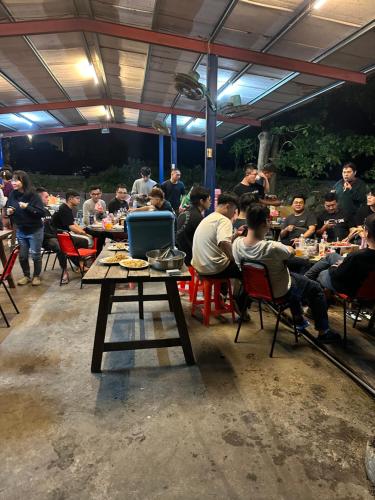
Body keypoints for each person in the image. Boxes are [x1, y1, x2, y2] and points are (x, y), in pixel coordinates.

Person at [233, 205, 340, 343]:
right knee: (315, 288)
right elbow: (291, 252)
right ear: (266, 222)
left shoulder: (236, 244)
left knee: (296, 278)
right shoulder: (271, 247)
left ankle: (298, 318)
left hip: (254, 290)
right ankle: (323, 331)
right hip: (279, 291)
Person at [305, 213, 375, 299]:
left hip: (351, 287)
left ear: (366, 233)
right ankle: (306, 279)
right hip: (367, 284)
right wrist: (344, 263)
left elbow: (337, 275)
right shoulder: (356, 256)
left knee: (321, 273)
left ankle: (307, 287)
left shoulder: (356, 256)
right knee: (332, 255)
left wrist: (335, 266)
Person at [6, 170, 45, 286]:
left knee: (35, 255)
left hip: (35, 230)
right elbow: (10, 206)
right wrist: (10, 211)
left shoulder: (33, 195)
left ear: (24, 181)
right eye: (13, 180)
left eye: (17, 180)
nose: (14, 182)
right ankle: (26, 276)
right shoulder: (13, 194)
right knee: (22, 256)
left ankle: (36, 276)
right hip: (21, 229)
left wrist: (27, 206)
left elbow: (41, 213)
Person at [191, 192, 241, 280]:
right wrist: (236, 260)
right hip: (213, 269)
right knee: (247, 268)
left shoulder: (209, 218)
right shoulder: (224, 220)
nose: (234, 214)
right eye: (234, 210)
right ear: (228, 206)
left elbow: (218, 241)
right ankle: (240, 294)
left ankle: (223, 292)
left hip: (199, 268)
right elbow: (223, 243)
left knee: (227, 259)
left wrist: (235, 235)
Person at [52, 190, 94, 268]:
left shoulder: (67, 208)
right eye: (77, 198)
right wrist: (85, 234)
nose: (79, 200)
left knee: (87, 235)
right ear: (70, 199)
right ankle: (80, 264)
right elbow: (71, 227)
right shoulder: (64, 209)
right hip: (59, 234)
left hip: (64, 233)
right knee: (85, 240)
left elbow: (73, 223)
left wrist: (83, 231)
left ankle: (82, 261)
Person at [36, 187, 69, 284]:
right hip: (44, 239)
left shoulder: (46, 211)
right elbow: (39, 232)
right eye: (46, 197)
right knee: (60, 246)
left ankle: (81, 264)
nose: (48, 199)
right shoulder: (34, 212)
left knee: (72, 240)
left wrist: (62, 231)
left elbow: (52, 227)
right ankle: (65, 271)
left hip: (53, 236)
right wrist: (54, 236)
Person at [176, 186, 211, 265]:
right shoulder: (198, 218)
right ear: (202, 201)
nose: (210, 202)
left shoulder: (183, 213)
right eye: (209, 200)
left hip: (180, 256)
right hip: (191, 261)